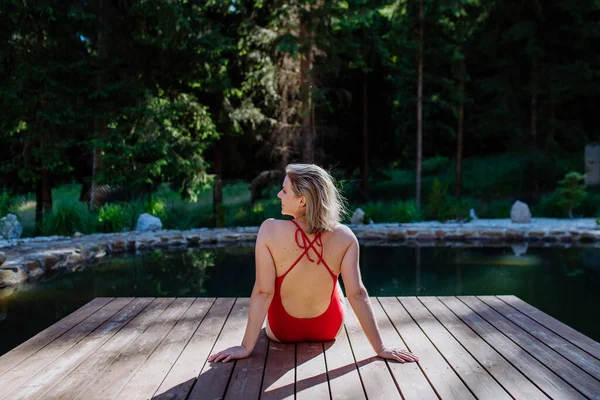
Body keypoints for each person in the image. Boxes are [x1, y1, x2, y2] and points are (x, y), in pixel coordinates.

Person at [208, 163, 418, 364]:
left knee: (276, 281)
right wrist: (380, 348)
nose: (279, 195)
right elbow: (357, 294)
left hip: (283, 330)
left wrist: (246, 347)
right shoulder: (345, 236)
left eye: (284, 191)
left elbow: (264, 292)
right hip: (328, 328)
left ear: (302, 200)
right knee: (335, 280)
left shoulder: (269, 230)